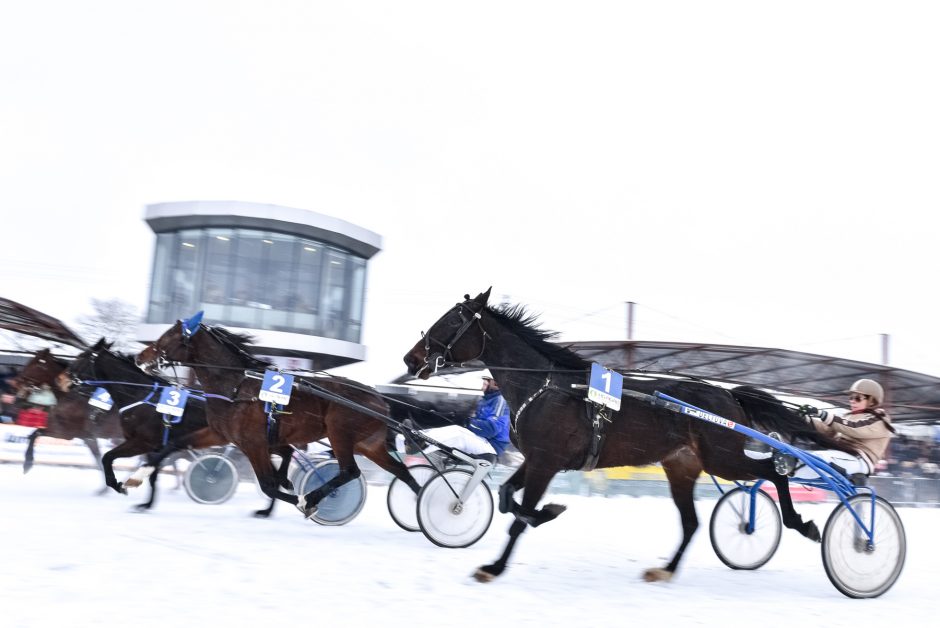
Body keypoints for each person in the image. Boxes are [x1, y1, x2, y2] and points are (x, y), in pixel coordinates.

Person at [776, 378, 896, 479]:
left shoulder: (879, 418)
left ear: (871, 401)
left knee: (820, 459)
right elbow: (827, 430)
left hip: (859, 460)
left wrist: (823, 414)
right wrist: (803, 419)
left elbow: (854, 428)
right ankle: (784, 464)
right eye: (851, 398)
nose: (852, 401)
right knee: (810, 456)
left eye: (858, 398)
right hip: (842, 454)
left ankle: (788, 465)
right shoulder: (848, 416)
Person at [406, 373, 511, 465]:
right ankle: (410, 440)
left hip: (491, 447)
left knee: (458, 432)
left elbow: (491, 429)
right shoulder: (485, 400)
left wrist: (467, 423)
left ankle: (421, 442)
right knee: (452, 426)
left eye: (486, 381)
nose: (483, 385)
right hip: (483, 442)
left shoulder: (500, 400)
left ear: (495, 383)